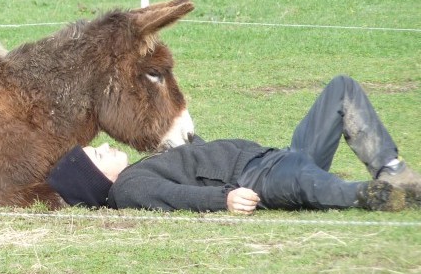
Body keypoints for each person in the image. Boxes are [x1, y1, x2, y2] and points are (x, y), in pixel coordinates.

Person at [47, 75, 421, 213]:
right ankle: (367, 194)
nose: (107, 147)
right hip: (259, 176)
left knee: (342, 90)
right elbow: (177, 198)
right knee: (310, 185)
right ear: (96, 179)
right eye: (98, 154)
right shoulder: (129, 187)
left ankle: (390, 170)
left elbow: (194, 168)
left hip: (278, 158)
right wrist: (223, 199)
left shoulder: (139, 170)